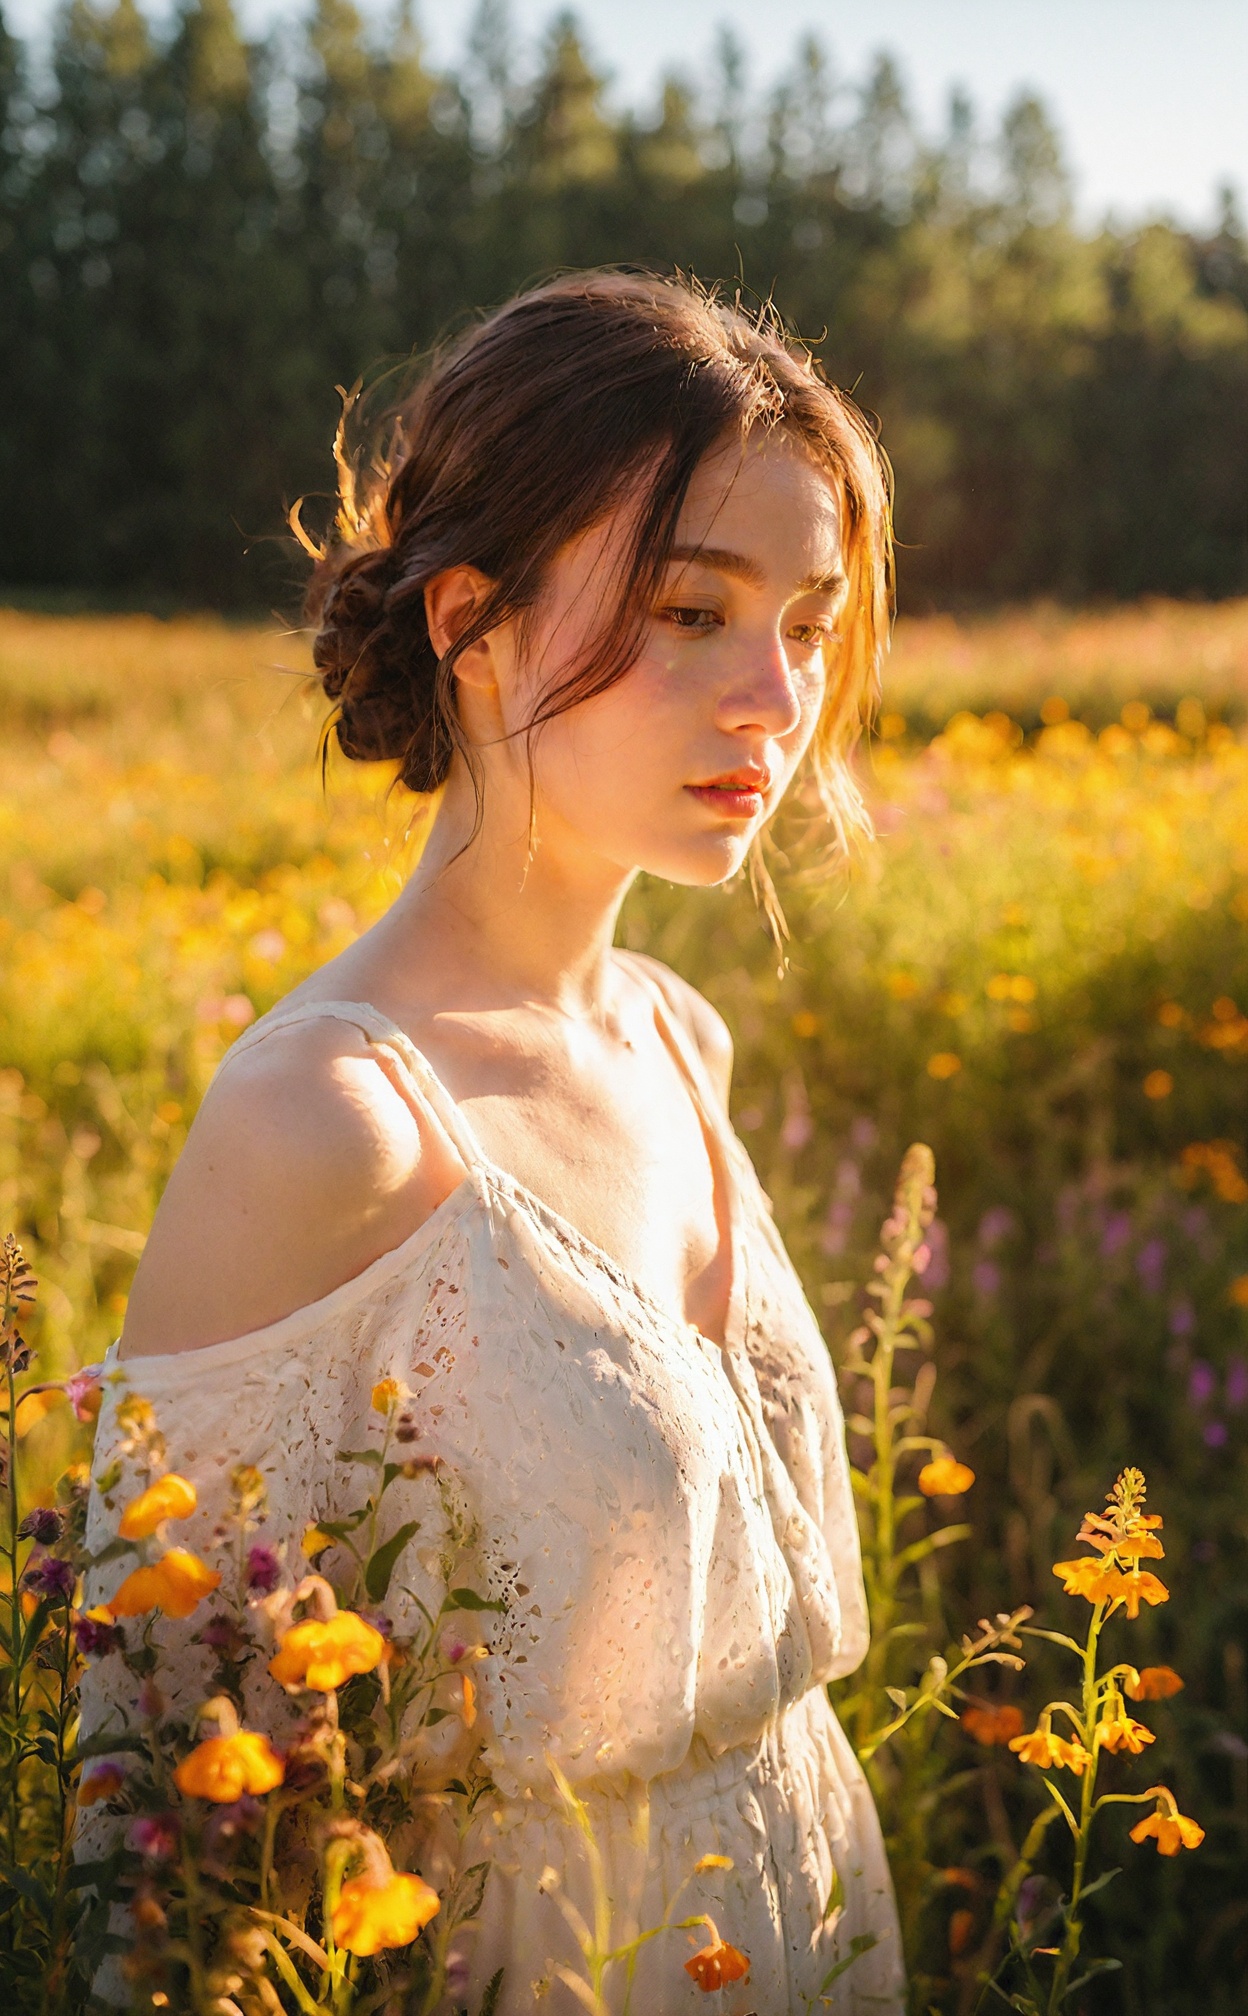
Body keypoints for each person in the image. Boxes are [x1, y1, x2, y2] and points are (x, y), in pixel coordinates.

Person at [86, 270, 903, 2012]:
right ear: (471, 620)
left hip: (801, 1927)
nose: (777, 695)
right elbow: (153, 1793)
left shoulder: (681, 1042)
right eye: (694, 613)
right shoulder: (332, 1121)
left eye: (811, 623)